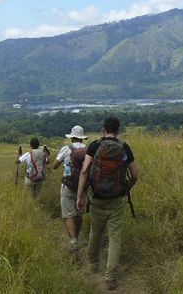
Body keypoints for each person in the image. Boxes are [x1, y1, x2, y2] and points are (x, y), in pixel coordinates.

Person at [76, 116, 139, 291]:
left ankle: (93, 266)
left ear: (103, 129)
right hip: (117, 200)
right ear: (118, 130)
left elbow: (84, 170)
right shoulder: (124, 147)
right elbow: (135, 174)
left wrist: (80, 196)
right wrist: (127, 189)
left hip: (97, 198)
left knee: (95, 233)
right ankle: (110, 277)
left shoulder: (95, 146)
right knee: (115, 237)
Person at [52, 125, 88, 252]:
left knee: (68, 215)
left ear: (72, 137)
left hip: (67, 186)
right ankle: (77, 238)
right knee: (79, 214)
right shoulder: (88, 150)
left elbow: (55, 165)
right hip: (83, 188)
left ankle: (73, 242)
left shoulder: (66, 149)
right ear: (82, 138)